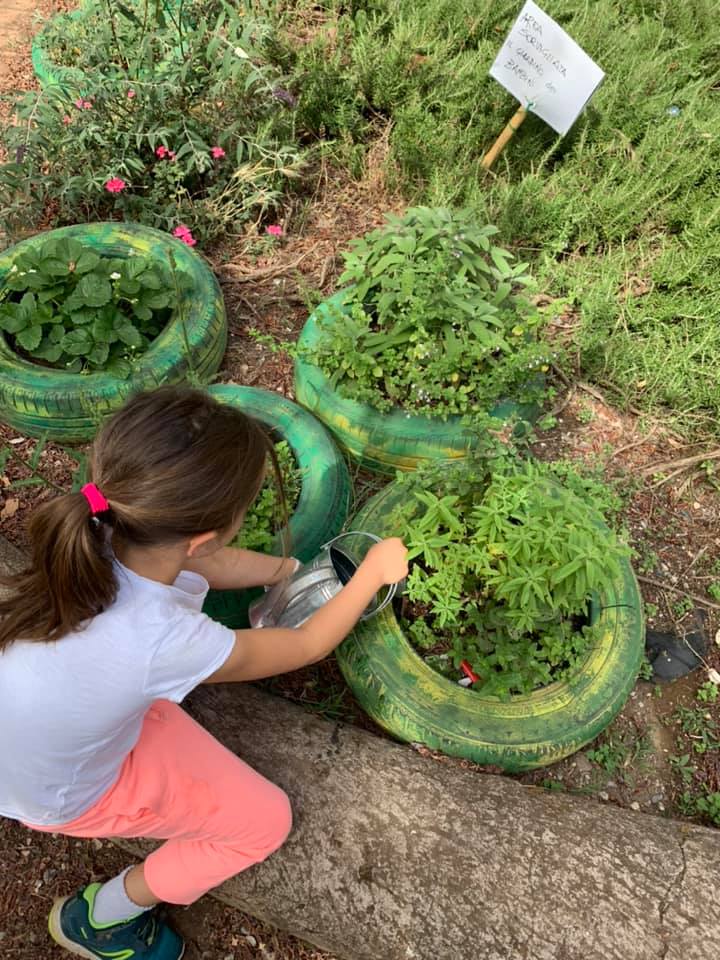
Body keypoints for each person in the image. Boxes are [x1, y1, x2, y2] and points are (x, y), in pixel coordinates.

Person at [0, 385, 407, 960]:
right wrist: (371, 574)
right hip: (59, 793)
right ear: (205, 537)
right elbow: (306, 643)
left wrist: (287, 572)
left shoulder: (101, 526)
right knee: (264, 821)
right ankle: (103, 918)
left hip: (24, 739)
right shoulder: (165, 641)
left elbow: (203, 562)